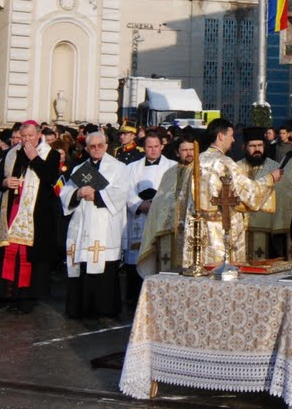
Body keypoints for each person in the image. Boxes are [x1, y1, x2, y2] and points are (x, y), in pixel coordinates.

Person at [177, 118, 277, 268]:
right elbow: (249, 193)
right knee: (223, 275)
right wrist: (270, 178)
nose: (233, 140)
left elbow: (183, 199)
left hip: (197, 230)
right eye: (231, 135)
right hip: (222, 229)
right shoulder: (224, 162)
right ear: (220, 136)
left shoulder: (196, 161)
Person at [0, 120, 57, 313]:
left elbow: (51, 178)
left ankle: (26, 298)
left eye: (30, 136)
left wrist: (34, 158)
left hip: (35, 215)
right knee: (8, 254)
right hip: (11, 211)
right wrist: (5, 182)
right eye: (23, 136)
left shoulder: (51, 154)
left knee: (28, 257)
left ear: (39, 134)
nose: (26, 140)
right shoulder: (10, 153)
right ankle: (7, 294)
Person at [61, 129, 131, 319]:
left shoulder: (118, 168)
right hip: (82, 225)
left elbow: (122, 192)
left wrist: (97, 195)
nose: (97, 149)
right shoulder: (79, 169)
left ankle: (105, 308)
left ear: (106, 146)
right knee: (83, 267)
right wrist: (77, 193)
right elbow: (65, 193)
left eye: (100, 145)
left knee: (105, 270)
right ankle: (81, 308)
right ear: (87, 148)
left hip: (104, 225)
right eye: (92, 146)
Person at [121, 131, 172, 306]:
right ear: (144, 147)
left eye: (156, 146)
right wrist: (139, 205)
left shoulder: (172, 167)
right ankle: (134, 299)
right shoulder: (131, 168)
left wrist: (157, 205)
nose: (153, 150)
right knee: (136, 260)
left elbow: (174, 193)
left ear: (162, 146)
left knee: (159, 260)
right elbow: (126, 191)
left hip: (161, 219)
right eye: (149, 147)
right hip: (138, 219)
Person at [136, 132, 196, 275]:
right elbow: (160, 201)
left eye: (191, 149)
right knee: (167, 270)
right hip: (169, 232)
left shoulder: (201, 172)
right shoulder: (170, 173)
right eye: (184, 150)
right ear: (177, 152)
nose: (189, 153)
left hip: (193, 231)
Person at [247, 124, 292, 261]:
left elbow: (285, 194)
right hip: (243, 230)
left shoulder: (275, 168)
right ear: (245, 147)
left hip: (271, 230)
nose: (257, 149)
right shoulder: (236, 167)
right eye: (252, 146)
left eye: (260, 145)